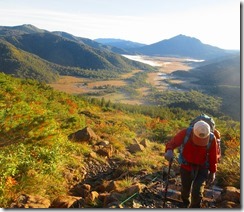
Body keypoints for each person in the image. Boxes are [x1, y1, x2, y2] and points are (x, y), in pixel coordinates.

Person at [164, 120, 218, 208]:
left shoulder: (212, 139)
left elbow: (213, 157)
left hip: (202, 168)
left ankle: (194, 207)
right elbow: (172, 142)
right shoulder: (186, 133)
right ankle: (186, 204)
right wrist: (169, 150)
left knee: (197, 191)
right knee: (185, 190)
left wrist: (213, 172)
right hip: (186, 166)